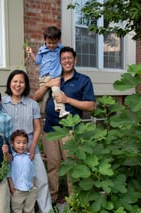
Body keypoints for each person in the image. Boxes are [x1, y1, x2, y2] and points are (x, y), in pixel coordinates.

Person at [34, 46, 96, 204]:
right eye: (63, 59)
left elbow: (91, 106)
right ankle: (52, 200)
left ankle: (74, 201)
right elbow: (36, 97)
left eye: (69, 58)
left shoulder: (83, 80)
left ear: (75, 60)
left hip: (70, 131)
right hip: (50, 130)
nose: (66, 61)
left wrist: (68, 100)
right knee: (53, 166)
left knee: (72, 165)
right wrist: (47, 85)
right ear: (59, 61)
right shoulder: (54, 77)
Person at [0, 69, 53, 213]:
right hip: (10, 152)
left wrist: (32, 147)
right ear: (10, 83)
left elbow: (37, 127)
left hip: (30, 149)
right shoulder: (2, 103)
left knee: (41, 181)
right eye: (15, 81)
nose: (18, 85)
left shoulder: (32, 104)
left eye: (21, 82)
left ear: (26, 84)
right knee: (12, 184)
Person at [26, 26, 69, 118]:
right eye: (49, 43)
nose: (52, 45)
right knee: (43, 97)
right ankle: (38, 114)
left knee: (56, 90)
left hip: (55, 76)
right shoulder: (42, 50)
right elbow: (37, 61)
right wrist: (31, 53)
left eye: (54, 43)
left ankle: (61, 109)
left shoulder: (61, 48)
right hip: (44, 77)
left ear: (58, 40)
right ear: (45, 39)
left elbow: (66, 56)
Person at [8, 129, 36, 213]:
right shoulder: (11, 159)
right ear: (12, 144)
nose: (21, 145)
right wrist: (12, 187)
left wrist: (34, 186)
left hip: (30, 189)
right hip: (17, 190)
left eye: (24, 143)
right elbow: (9, 175)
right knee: (17, 211)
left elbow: (32, 173)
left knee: (29, 210)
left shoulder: (29, 157)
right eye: (18, 143)